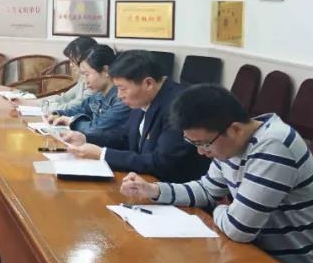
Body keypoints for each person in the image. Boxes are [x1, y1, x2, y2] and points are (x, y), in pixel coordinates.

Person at [121, 84, 313, 263]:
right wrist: (154, 190)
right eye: (193, 143)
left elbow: (239, 229)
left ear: (234, 129)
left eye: (204, 144)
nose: (201, 152)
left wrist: (220, 209)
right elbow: (207, 190)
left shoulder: (273, 146)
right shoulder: (229, 145)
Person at [61, 49, 208, 182]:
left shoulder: (179, 105)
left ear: (148, 84)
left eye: (122, 88)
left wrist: (102, 154)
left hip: (171, 189)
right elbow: (124, 137)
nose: (119, 96)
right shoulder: (143, 98)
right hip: (141, 182)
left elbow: (160, 162)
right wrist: (86, 138)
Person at [46, 45, 131, 142]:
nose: (85, 81)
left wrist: (72, 122)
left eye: (87, 75)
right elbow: (79, 109)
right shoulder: (98, 94)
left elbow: (97, 129)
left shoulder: (122, 99)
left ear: (105, 71)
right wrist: (57, 114)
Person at [29, 36, 97, 111]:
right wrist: (28, 102)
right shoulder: (83, 80)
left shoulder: (94, 85)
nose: (71, 65)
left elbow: (67, 108)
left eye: (73, 60)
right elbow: (63, 98)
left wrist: (47, 105)